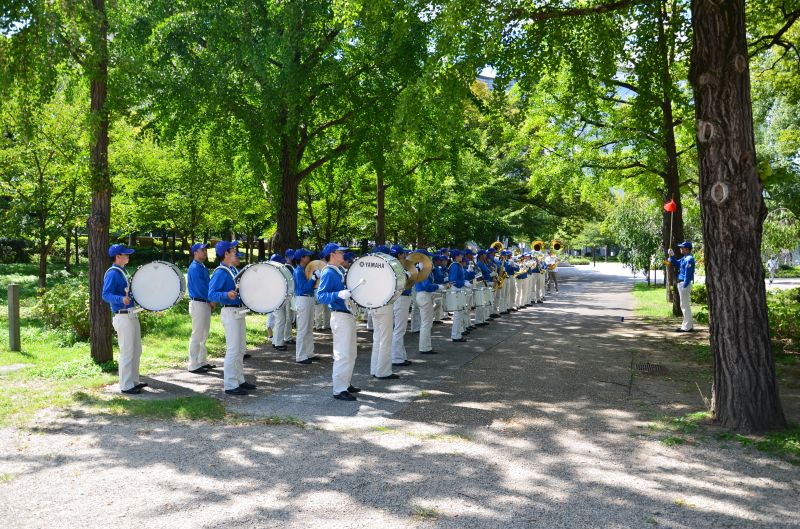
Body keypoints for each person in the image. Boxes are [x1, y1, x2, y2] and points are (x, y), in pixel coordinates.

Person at [316, 242, 362, 401]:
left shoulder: (339, 270)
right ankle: (339, 389)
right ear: (332, 254)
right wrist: (338, 295)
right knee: (342, 354)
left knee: (351, 353)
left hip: (346, 315)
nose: (343, 254)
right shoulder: (328, 272)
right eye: (340, 252)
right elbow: (320, 296)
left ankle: (346, 382)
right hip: (340, 316)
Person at [208, 240, 254, 395]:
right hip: (230, 312)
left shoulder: (232, 269)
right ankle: (230, 385)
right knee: (233, 350)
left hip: (238, 312)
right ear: (226, 253)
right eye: (232, 250)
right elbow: (211, 294)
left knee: (240, 349)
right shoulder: (220, 272)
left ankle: (239, 380)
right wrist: (226, 294)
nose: (235, 251)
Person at [102, 244, 145, 395]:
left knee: (136, 350)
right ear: (117, 256)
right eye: (125, 254)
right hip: (122, 315)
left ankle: (134, 381)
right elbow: (105, 294)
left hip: (131, 314)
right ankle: (126, 385)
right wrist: (121, 298)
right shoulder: (113, 273)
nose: (128, 256)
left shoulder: (122, 271)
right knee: (127, 351)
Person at [368, 245, 399, 379]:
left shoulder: (368, 269)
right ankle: (383, 372)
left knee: (377, 338)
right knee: (386, 339)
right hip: (384, 304)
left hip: (373, 304)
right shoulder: (386, 268)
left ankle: (374, 369)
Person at [186, 242, 217, 374]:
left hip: (203, 303)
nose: (205, 252)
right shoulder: (195, 268)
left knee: (204, 334)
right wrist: (211, 299)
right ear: (195, 253)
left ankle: (201, 361)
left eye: (205, 250)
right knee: (197, 334)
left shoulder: (201, 266)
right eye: (202, 250)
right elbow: (201, 288)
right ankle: (193, 364)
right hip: (199, 303)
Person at [414, 250, 442, 355]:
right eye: (428, 257)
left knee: (426, 323)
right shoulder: (423, 268)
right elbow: (427, 286)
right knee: (426, 323)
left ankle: (426, 346)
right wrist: (437, 286)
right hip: (424, 295)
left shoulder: (420, 267)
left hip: (422, 295)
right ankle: (425, 347)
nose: (429, 259)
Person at [292, 248, 317, 364]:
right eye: (307, 256)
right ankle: (300, 356)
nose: (309, 258)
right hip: (303, 298)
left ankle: (309, 353)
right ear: (302, 258)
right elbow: (304, 288)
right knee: (302, 329)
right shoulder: (298, 271)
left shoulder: (304, 270)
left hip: (308, 298)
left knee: (308, 328)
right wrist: (314, 278)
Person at [390, 245, 414, 366]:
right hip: (401, 297)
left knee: (400, 328)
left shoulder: (394, 264)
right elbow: (402, 279)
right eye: (403, 253)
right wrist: (412, 272)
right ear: (399, 254)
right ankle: (396, 358)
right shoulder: (396, 265)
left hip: (400, 298)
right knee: (399, 329)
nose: (405, 255)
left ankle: (401, 356)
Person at [668, 241, 696, 333]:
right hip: (682, 283)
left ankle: (687, 327)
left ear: (687, 249)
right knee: (684, 305)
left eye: (682, 248)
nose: (680, 249)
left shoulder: (689, 259)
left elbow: (688, 274)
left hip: (684, 284)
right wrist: (671, 255)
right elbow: (676, 263)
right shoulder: (684, 258)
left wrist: (685, 284)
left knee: (685, 305)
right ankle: (687, 325)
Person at [268, 253, 289, 352]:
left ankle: (275, 341)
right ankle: (278, 343)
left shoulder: (271, 271)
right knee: (281, 320)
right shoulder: (272, 272)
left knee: (279, 320)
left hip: (275, 299)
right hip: (275, 300)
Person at [449, 249, 468, 342]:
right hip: (456, 290)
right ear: (456, 256)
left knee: (459, 313)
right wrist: (464, 282)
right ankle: (455, 335)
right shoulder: (455, 266)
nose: (462, 257)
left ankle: (457, 334)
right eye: (460, 255)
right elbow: (453, 280)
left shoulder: (457, 265)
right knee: (457, 313)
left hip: (458, 289)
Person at [283, 249, 296, 345]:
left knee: (291, 316)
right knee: (287, 317)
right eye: (289, 257)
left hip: (293, 294)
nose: (291, 258)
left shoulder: (293, 266)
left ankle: (289, 336)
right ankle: (287, 337)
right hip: (287, 294)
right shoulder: (285, 267)